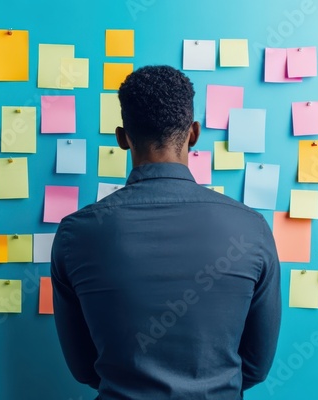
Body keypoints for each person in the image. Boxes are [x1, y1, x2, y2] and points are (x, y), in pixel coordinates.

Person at [51, 65, 281, 399]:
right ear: (194, 133)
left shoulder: (75, 234)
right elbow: (256, 367)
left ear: (122, 138)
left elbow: (84, 369)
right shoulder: (251, 228)